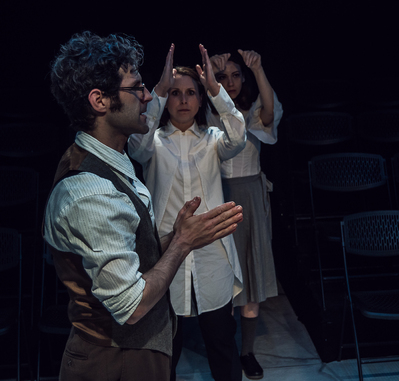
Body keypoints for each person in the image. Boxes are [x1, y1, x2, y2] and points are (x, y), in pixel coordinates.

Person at [43, 31, 243, 381]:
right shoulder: (92, 191)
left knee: (222, 343)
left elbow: (134, 250)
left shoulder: (114, 164)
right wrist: (182, 242)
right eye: (138, 89)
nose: (150, 95)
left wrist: (180, 236)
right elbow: (131, 306)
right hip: (116, 359)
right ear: (99, 101)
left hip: (140, 350)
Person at [127, 44, 246, 381]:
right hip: (167, 256)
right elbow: (137, 143)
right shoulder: (153, 142)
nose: (182, 100)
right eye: (176, 93)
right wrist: (159, 90)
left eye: (190, 93)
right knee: (168, 350)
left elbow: (239, 136)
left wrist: (215, 89)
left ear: (199, 99)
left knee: (222, 343)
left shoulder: (212, 139)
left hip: (212, 258)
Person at [207, 49, 283, 380]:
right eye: (223, 77)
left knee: (251, 276)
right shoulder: (206, 114)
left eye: (236, 75)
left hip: (250, 197)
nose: (231, 82)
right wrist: (207, 71)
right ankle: (221, 349)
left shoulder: (251, 111)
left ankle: (247, 351)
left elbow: (269, 113)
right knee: (222, 277)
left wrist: (259, 70)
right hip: (217, 196)